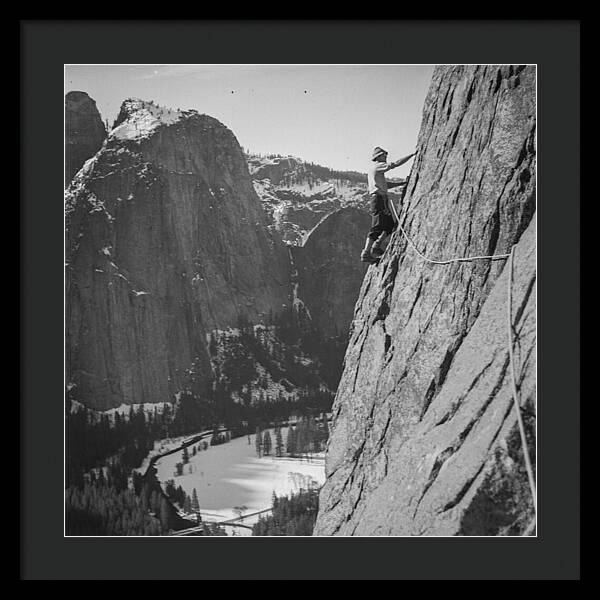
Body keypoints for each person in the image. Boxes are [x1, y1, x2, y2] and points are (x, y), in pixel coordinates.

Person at [361, 146, 417, 263]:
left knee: (389, 225)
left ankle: (376, 246)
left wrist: (401, 183)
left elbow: (385, 184)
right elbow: (395, 164)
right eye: (384, 155)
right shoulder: (378, 166)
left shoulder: (374, 170)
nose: (386, 156)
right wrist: (412, 155)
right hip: (378, 200)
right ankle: (366, 253)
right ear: (378, 157)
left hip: (380, 199)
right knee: (377, 226)